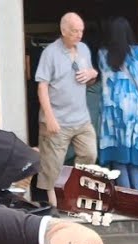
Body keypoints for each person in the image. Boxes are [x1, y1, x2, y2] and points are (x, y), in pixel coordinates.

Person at [36, 12, 100, 207]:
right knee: (52, 167)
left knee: (90, 154)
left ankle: (75, 194)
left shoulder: (84, 49)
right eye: (74, 31)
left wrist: (93, 73)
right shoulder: (50, 53)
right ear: (63, 31)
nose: (79, 35)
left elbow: (90, 81)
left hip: (81, 119)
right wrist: (49, 117)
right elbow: (42, 87)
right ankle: (54, 208)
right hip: (57, 119)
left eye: (81, 31)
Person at [98, 17, 138, 191]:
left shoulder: (103, 54)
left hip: (111, 112)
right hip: (133, 111)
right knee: (134, 160)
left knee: (119, 159)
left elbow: (104, 83)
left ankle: (126, 199)